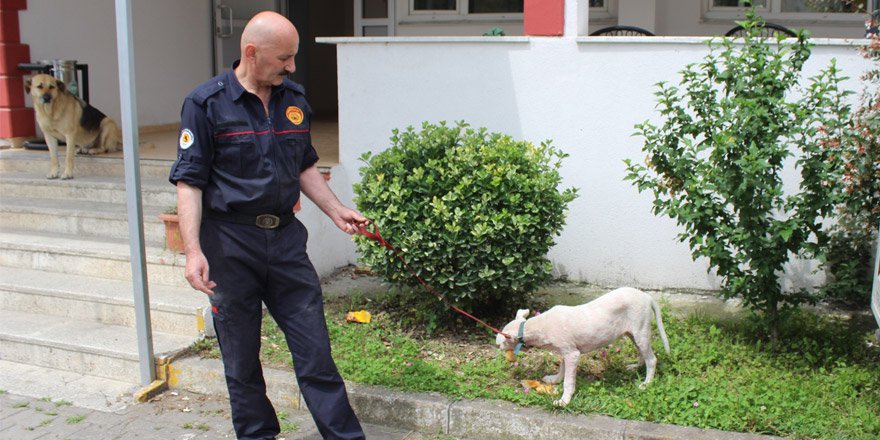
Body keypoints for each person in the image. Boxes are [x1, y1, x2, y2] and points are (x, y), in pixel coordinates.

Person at [168, 11, 367, 440]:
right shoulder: (205, 104)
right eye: (285, 58)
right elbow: (190, 182)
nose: (292, 66)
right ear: (251, 52)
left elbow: (304, 164)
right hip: (228, 245)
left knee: (315, 352)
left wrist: (336, 209)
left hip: (285, 241)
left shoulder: (293, 100)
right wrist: (194, 251)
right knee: (240, 360)